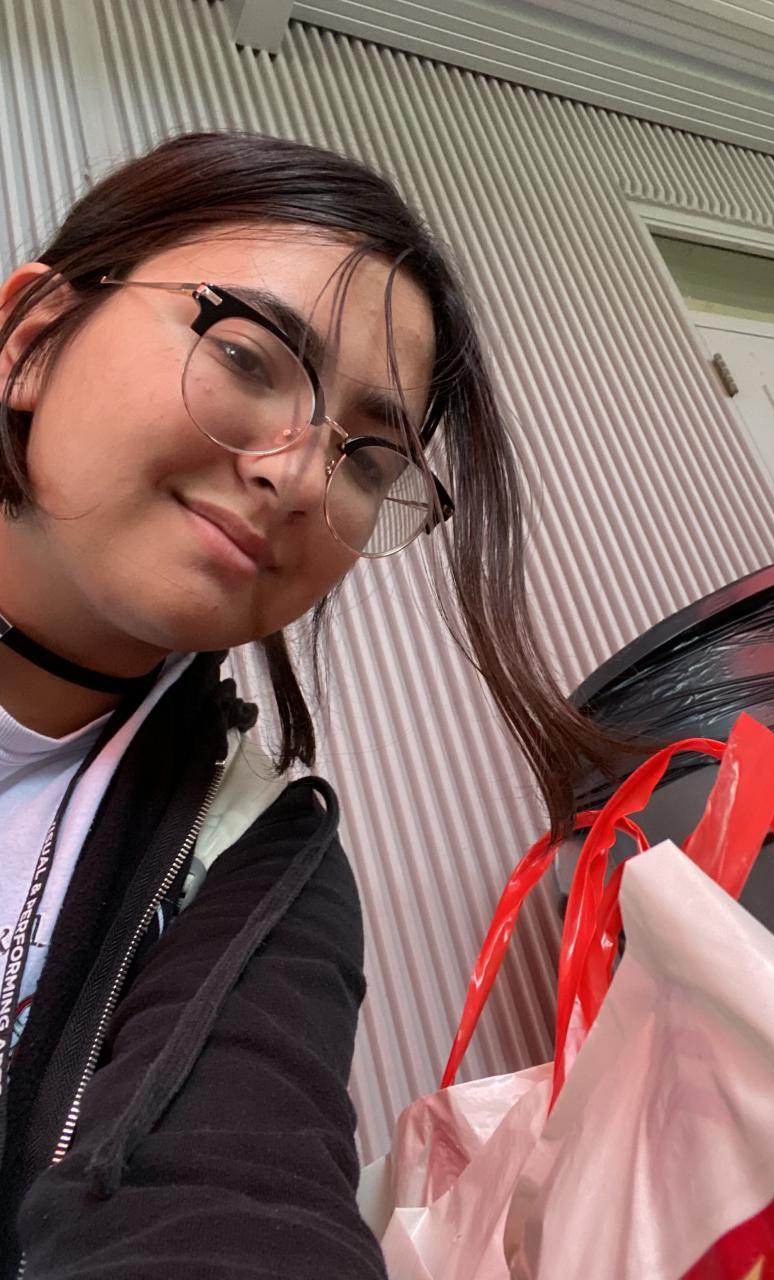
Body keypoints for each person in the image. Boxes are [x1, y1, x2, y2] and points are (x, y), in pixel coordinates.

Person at [0, 131, 638, 1277]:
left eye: (369, 461)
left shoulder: (257, 857)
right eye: (247, 356)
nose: (298, 476)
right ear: (32, 338)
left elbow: (237, 1199)